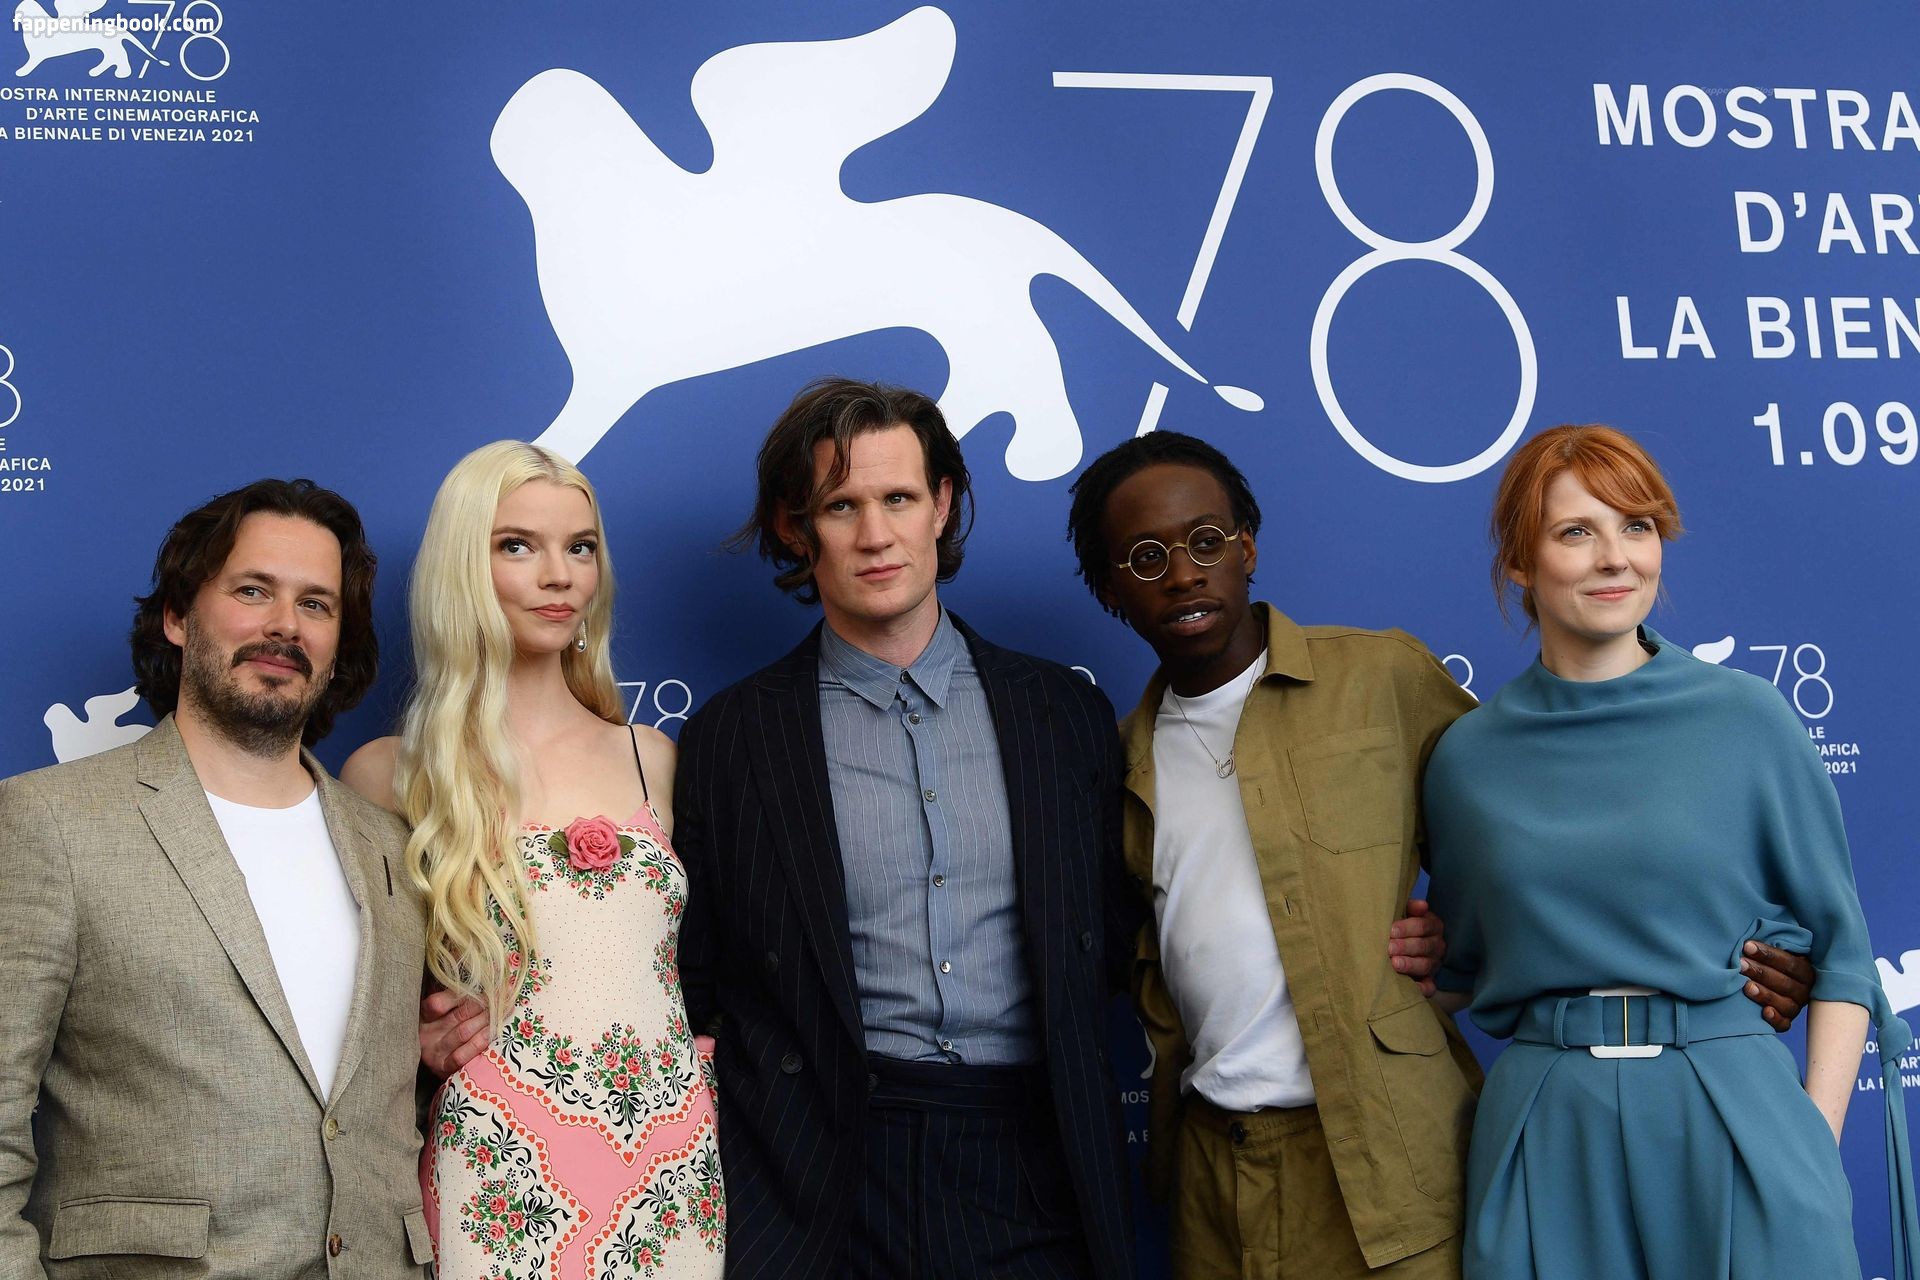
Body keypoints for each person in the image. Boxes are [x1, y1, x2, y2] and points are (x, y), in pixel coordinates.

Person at [1061, 430, 1819, 1280]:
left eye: (1206, 541)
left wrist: (1741, 950)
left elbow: (1552, 817)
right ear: (1110, 590)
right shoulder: (1113, 763)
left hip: (1389, 1163)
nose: (1184, 574)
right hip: (1213, 1171)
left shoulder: (1382, 680)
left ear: (1247, 549)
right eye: (1146, 557)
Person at [668, 377, 1140, 1279]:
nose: (876, 535)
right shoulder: (736, 735)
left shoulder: (1063, 714)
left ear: (942, 505)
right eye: (841, 505)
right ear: (795, 529)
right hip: (819, 1172)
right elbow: (693, 969)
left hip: (1031, 1159)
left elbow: (1120, 934)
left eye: (898, 498)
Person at [1421, 424, 1916, 1279]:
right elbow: (1462, 968)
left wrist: (1812, 1138)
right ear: (1520, 562)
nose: (1615, 557)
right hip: (1549, 1128)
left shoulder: (1749, 719)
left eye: (1637, 527)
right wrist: (1408, 955)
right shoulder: (1467, 758)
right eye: (1576, 531)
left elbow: (1843, 955)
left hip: (1733, 1112)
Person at [0, 479, 436, 1277]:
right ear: (177, 615)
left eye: (316, 604)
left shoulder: (391, 845)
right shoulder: (49, 823)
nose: (285, 625)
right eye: (253, 590)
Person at [343, 442, 723, 1279]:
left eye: (580, 547)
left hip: (668, 1171)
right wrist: (411, 1042)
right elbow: (344, 1006)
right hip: (496, 1172)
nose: (560, 575)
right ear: (461, 567)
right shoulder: (389, 774)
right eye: (517, 545)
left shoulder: (654, 757)